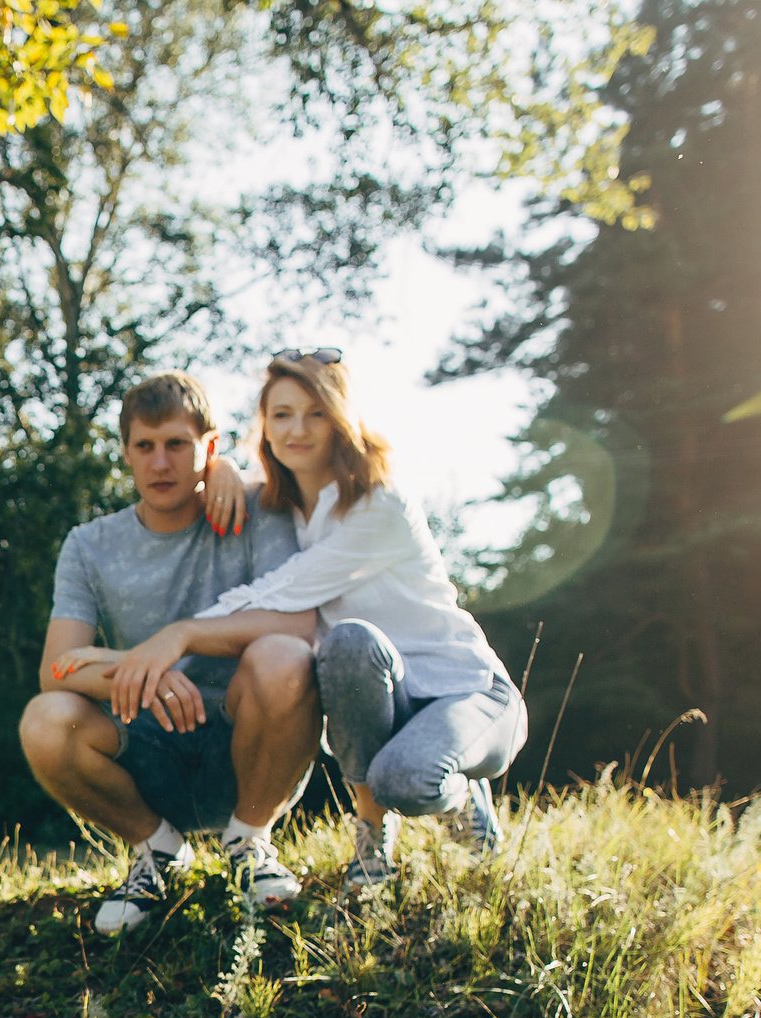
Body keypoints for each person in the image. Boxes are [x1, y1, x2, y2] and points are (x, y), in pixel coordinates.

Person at [191, 350, 527, 890]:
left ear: (341, 421)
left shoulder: (380, 504)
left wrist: (178, 635)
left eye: (316, 413)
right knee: (346, 645)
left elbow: (282, 590)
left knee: (406, 780)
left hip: (464, 690)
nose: (297, 429)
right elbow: (223, 479)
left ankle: (463, 797)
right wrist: (221, 466)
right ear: (264, 425)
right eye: (281, 415)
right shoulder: (283, 506)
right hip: (382, 689)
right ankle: (372, 837)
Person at [19, 370, 319, 931]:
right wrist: (144, 671)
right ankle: (157, 851)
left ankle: (250, 843)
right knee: (46, 719)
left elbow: (300, 626)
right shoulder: (89, 544)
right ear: (126, 454)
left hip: (248, 740)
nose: (160, 463)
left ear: (210, 446)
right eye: (145, 446)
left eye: (177, 444)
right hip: (148, 746)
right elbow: (56, 667)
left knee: (286, 656)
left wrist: (178, 637)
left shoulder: (260, 510)